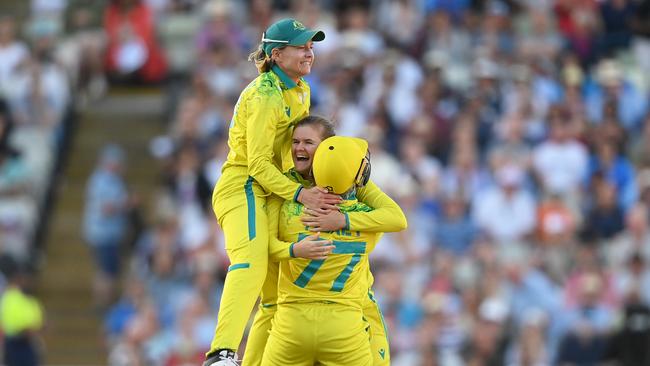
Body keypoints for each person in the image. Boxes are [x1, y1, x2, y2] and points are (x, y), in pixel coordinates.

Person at [204, 18, 341, 366]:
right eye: (302, 46)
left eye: (311, 46)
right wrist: (302, 195)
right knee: (250, 262)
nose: (309, 52)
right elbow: (258, 166)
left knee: (274, 298)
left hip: (275, 190)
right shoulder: (265, 95)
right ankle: (220, 354)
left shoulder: (301, 89)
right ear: (277, 54)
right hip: (245, 187)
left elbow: (297, 153)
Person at [243, 116, 407, 366]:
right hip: (344, 323)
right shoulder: (366, 211)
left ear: (326, 150)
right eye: (295, 141)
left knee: (266, 310)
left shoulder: (286, 202)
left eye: (308, 142)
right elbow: (396, 218)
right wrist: (343, 220)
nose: (299, 147)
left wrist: (294, 249)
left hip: (292, 321)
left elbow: (263, 248)